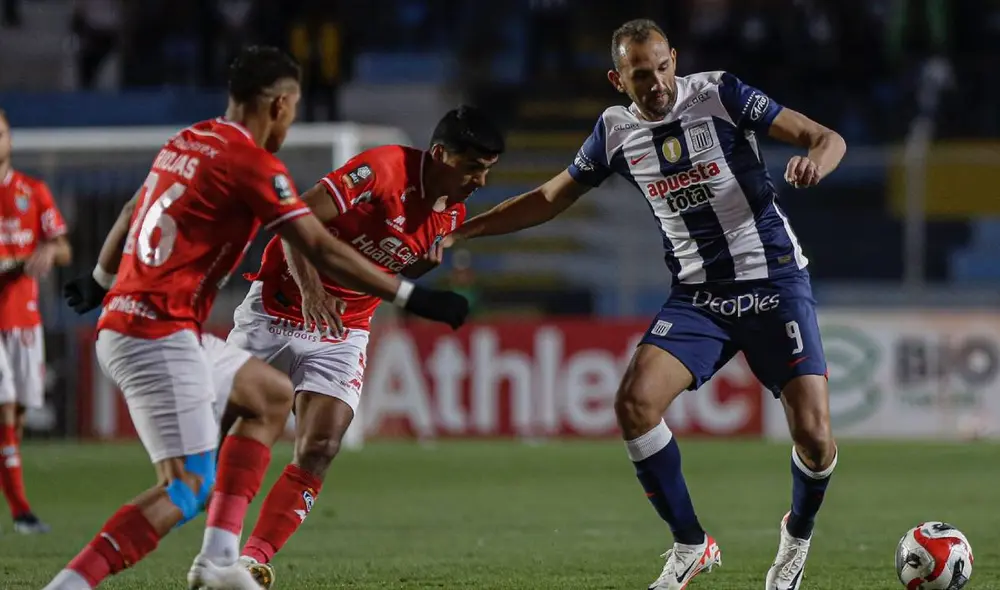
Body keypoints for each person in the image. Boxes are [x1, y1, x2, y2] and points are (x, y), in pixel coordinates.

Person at [444, 19, 846, 590]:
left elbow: (826, 137)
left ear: (674, 60)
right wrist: (464, 230)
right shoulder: (612, 132)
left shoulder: (720, 94)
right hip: (698, 298)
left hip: (773, 282)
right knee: (634, 404)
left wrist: (815, 164)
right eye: (640, 74)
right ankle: (689, 544)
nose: (656, 82)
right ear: (618, 79)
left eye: (662, 67)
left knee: (815, 437)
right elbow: (549, 198)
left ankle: (796, 538)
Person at [51, 45, 467, 590]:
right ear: (278, 104)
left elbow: (133, 210)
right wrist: (413, 297)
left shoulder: (189, 140)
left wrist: (100, 281)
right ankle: (70, 585)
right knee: (185, 489)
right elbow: (313, 239)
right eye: (292, 108)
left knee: (268, 397)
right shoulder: (253, 164)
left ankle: (221, 563)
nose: (292, 121)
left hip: (142, 323)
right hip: (159, 333)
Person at [223, 105, 504, 588]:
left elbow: (392, 265)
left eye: (487, 171)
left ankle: (251, 560)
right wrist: (311, 289)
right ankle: (209, 538)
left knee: (321, 445)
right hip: (277, 308)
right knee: (216, 430)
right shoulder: (383, 168)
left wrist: (419, 270)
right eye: (472, 167)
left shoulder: (452, 210)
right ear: (440, 155)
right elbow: (294, 218)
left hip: (344, 329)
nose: (479, 181)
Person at [0, 108, 72, 534]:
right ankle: (22, 512)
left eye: (3, 133)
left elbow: (62, 245)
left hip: (25, 320)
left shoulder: (33, 190)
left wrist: (49, 252)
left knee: (18, 416)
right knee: (5, 411)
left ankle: (15, 497)